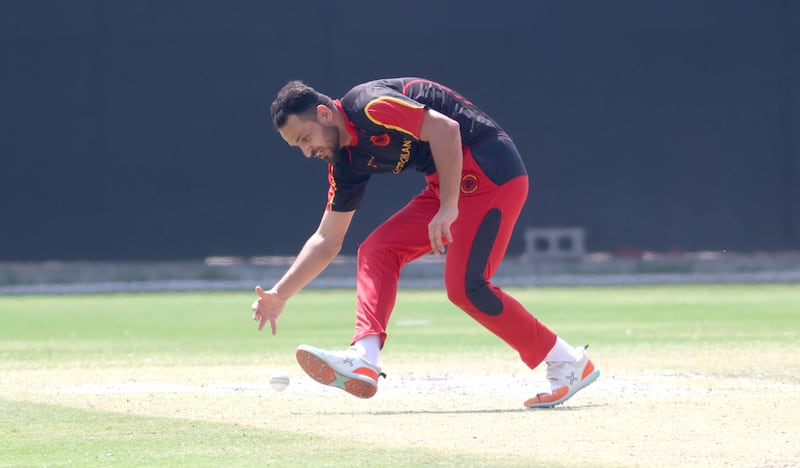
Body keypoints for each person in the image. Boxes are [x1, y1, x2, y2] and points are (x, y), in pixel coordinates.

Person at [251, 77, 599, 408]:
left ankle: (567, 361)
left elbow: (446, 129)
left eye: (305, 138)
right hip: (447, 182)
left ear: (324, 114)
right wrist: (280, 294)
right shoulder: (346, 162)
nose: (307, 151)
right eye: (298, 145)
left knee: (467, 288)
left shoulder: (368, 105)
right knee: (377, 250)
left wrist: (449, 206)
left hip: (490, 171)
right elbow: (327, 239)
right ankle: (364, 359)